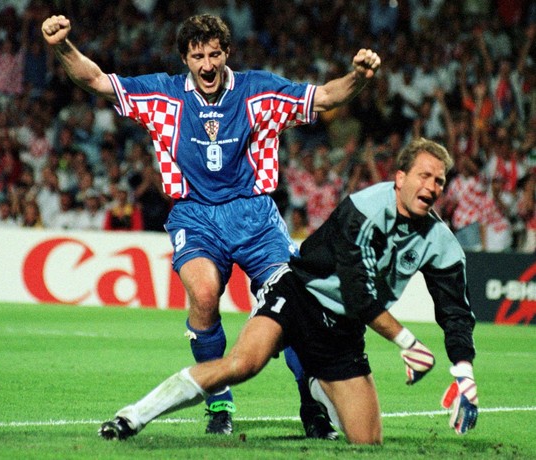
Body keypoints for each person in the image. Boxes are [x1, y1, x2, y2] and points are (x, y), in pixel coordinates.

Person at [42, 13, 380, 437]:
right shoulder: (163, 95)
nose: (206, 64)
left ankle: (309, 401)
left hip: (255, 216)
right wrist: (62, 46)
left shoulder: (259, 90)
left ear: (226, 54)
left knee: (295, 307)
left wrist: (360, 76)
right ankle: (218, 402)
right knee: (203, 295)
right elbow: (95, 80)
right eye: (197, 55)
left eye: (214, 54)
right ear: (185, 58)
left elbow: (328, 96)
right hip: (195, 215)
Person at [97, 138, 478, 444]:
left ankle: (314, 384)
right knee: (244, 364)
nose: (431, 186)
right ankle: (133, 416)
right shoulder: (364, 208)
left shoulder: (442, 243)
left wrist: (464, 373)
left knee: (367, 440)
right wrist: (408, 341)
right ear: (399, 177)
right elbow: (358, 290)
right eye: (424, 175)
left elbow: (455, 311)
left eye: (439, 181)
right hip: (298, 294)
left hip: (342, 330)